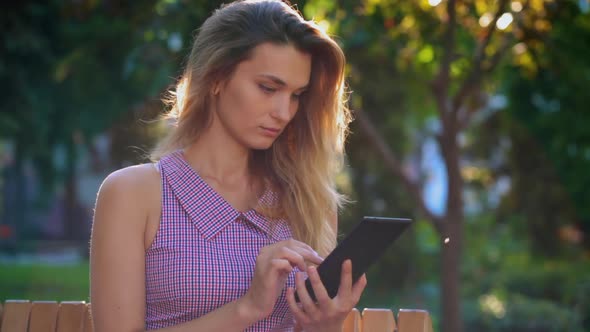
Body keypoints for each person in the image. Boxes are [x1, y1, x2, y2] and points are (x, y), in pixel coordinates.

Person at [89, 0, 367, 331]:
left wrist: (326, 325)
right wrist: (247, 308)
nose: (283, 112)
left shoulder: (310, 203)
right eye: (268, 88)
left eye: (297, 95)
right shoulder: (134, 195)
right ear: (216, 78)